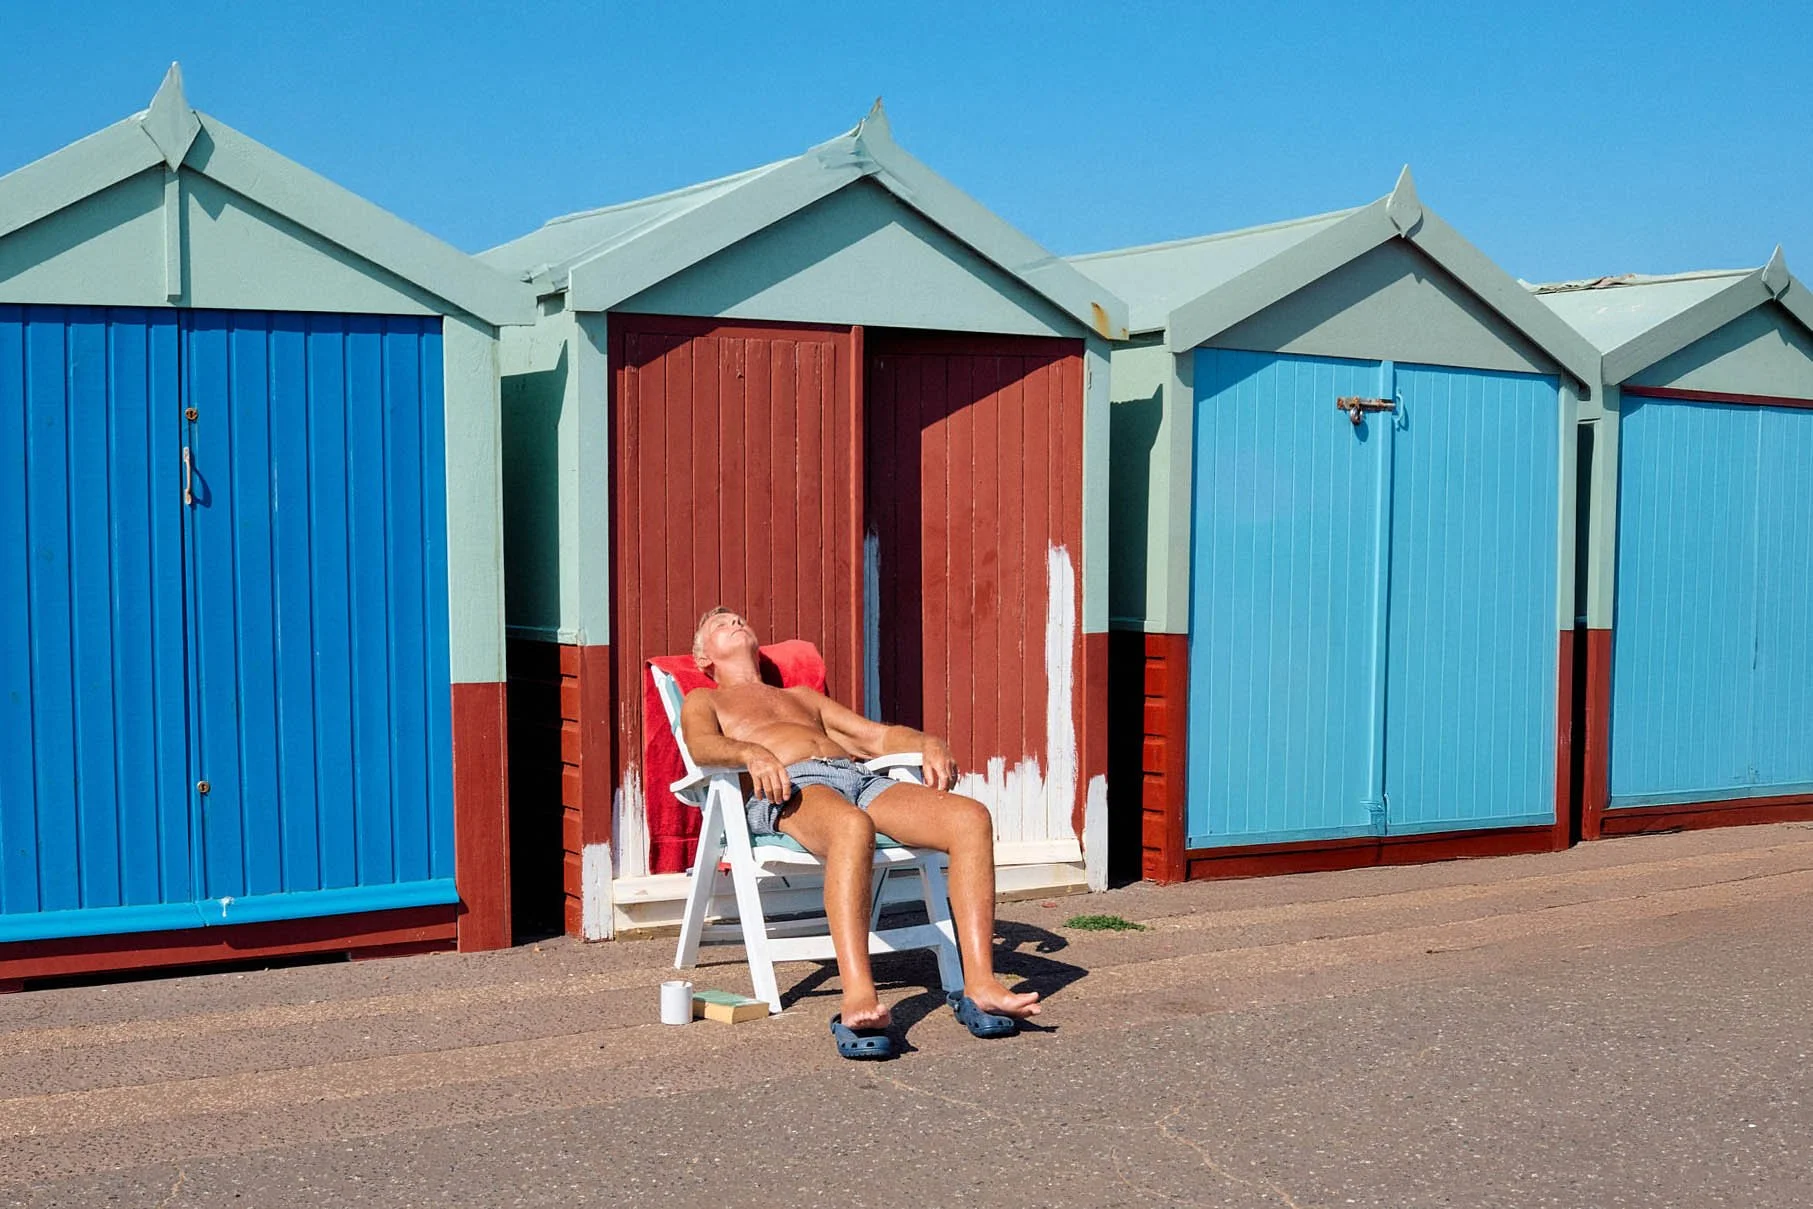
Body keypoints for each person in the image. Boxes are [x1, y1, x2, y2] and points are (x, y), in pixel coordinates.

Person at [680, 606, 1041, 1059]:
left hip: (859, 779)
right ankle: (857, 995)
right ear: (703, 659)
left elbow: (877, 739)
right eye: (719, 625)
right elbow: (701, 746)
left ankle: (982, 984)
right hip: (790, 788)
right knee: (852, 827)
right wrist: (751, 752)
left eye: (738, 619)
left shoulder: (802, 697)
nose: (734, 622)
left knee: (969, 817)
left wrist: (929, 742)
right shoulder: (706, 701)